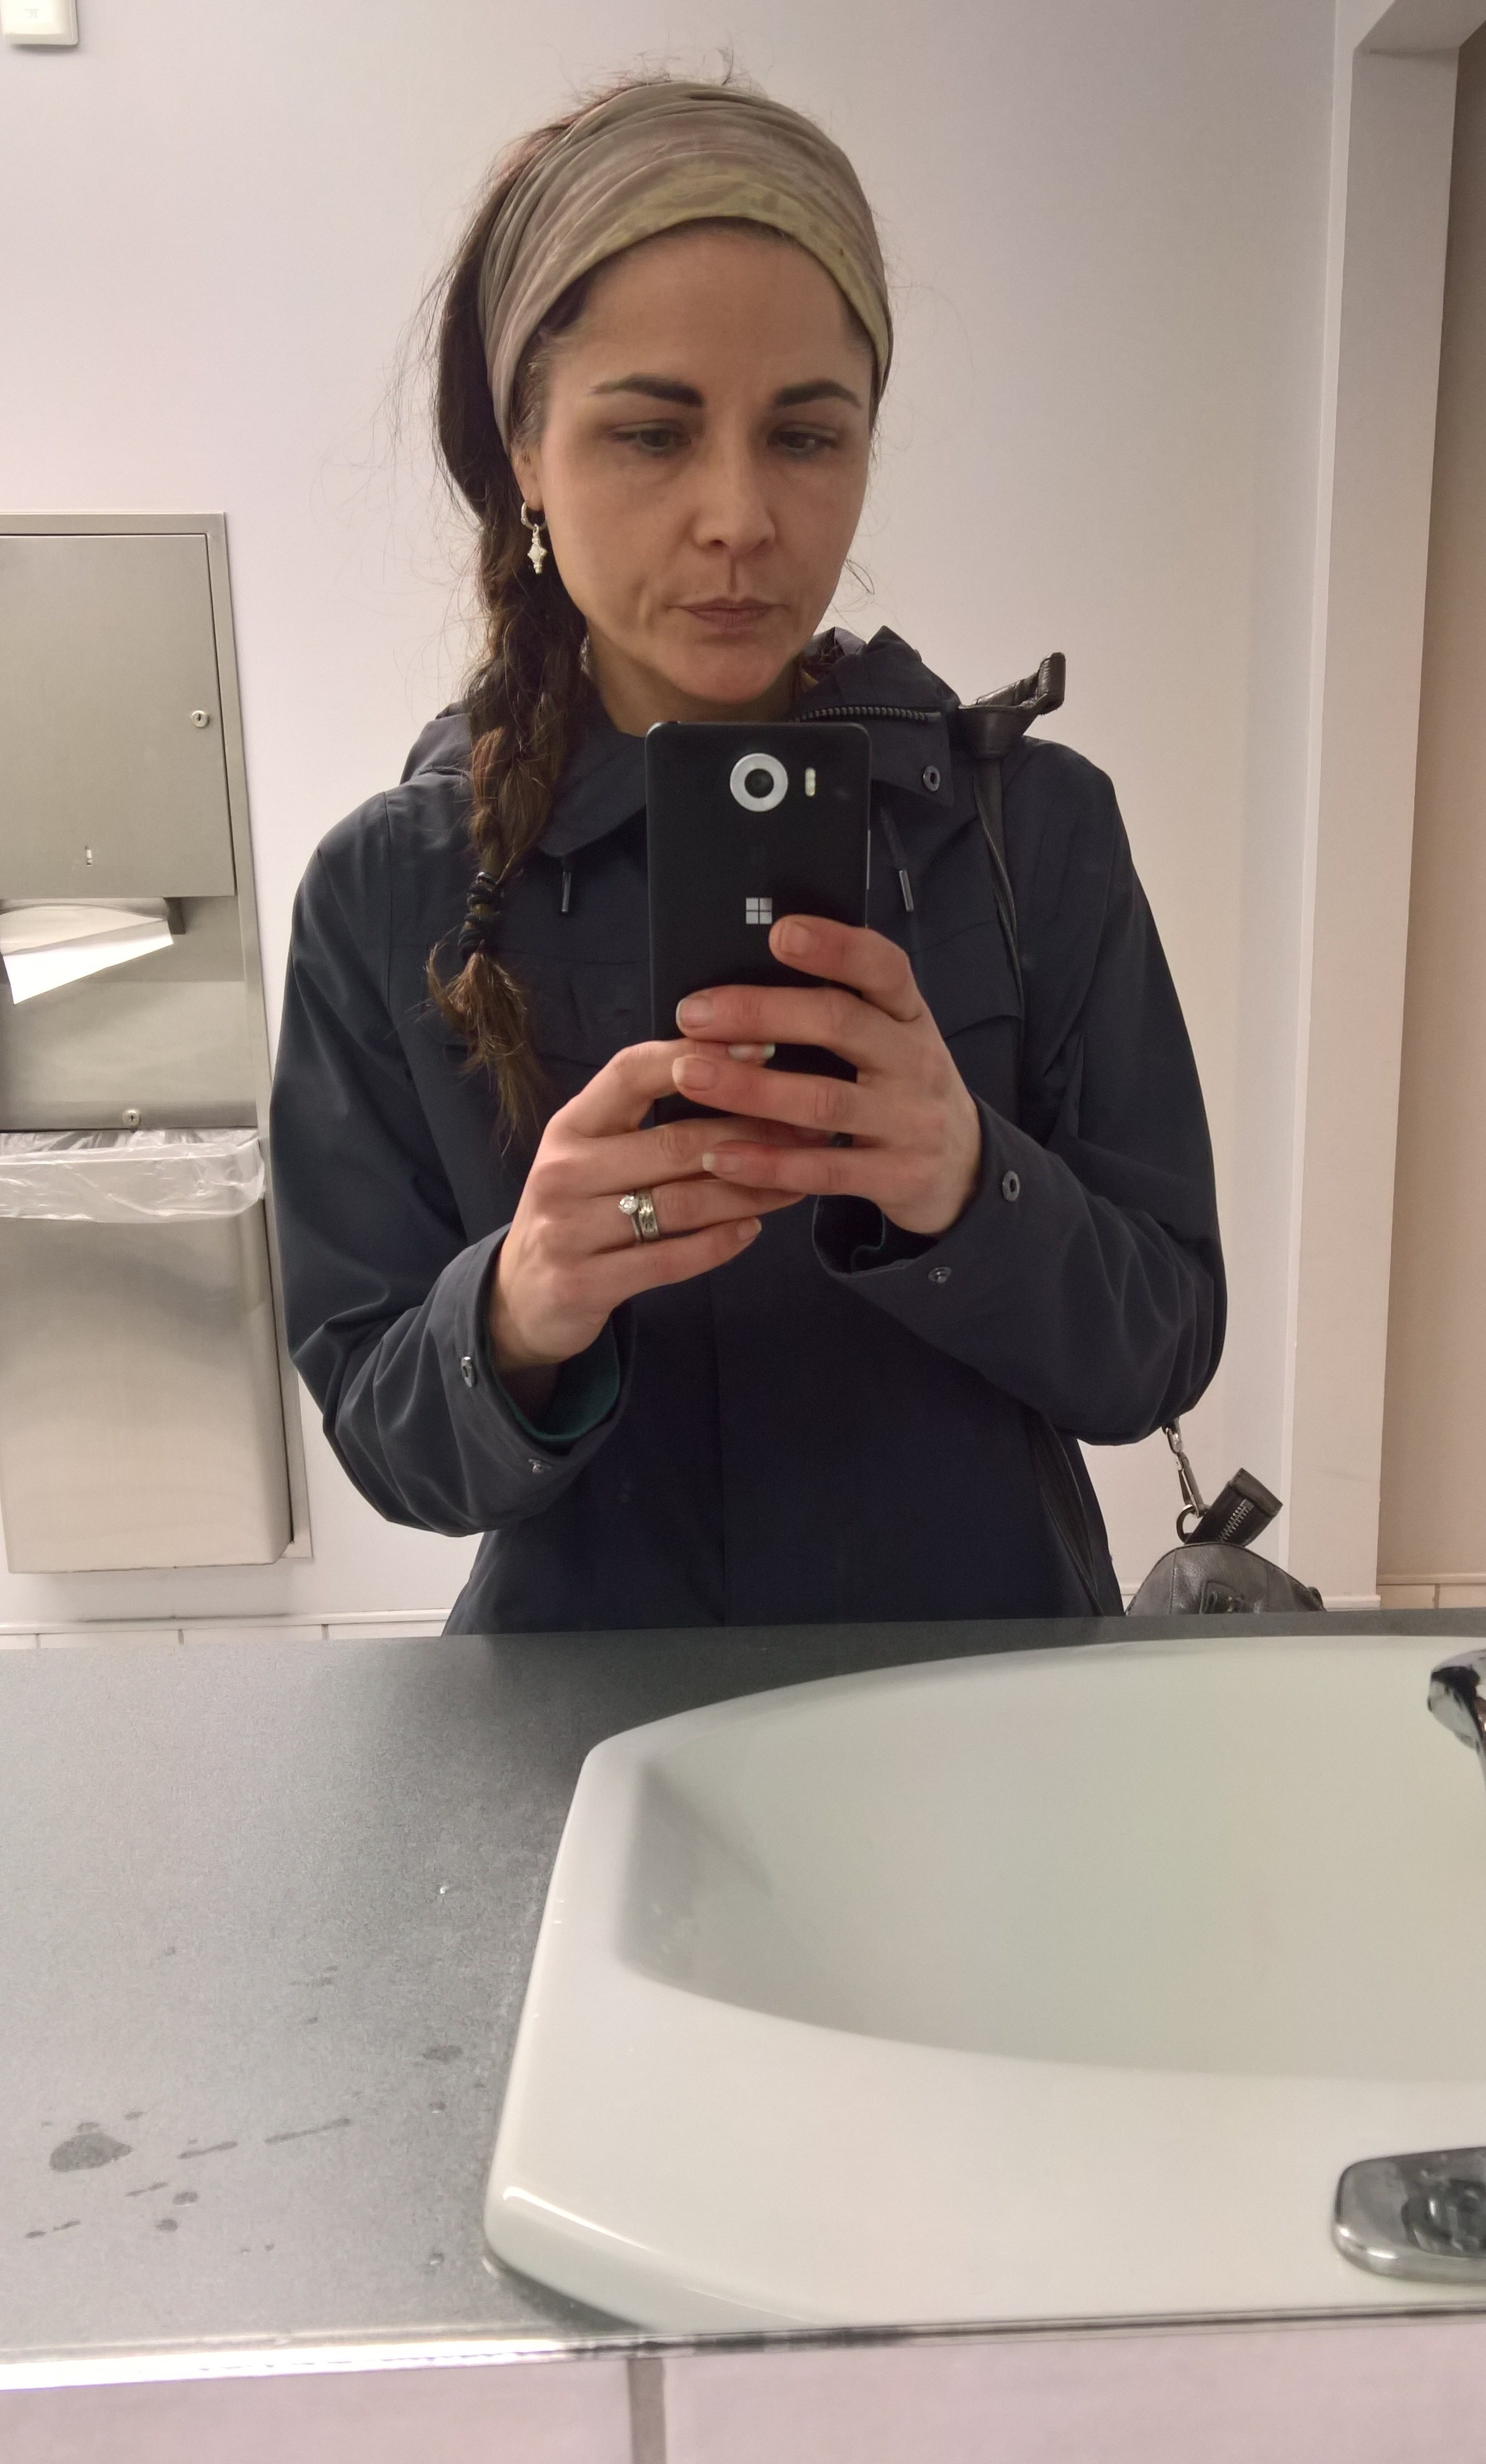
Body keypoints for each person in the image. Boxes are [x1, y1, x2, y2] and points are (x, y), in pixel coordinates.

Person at [269, 74, 1225, 1634]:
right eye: (651, 433)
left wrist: (970, 1184)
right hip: (584, 1724)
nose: (739, 516)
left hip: (979, 1710)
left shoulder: (1033, 834)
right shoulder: (396, 893)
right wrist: (518, 1305)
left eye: (805, 434)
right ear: (526, 453)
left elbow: (1162, 1347)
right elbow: (390, 1441)